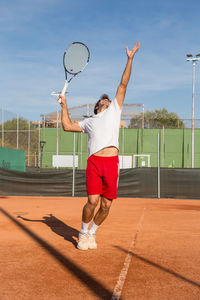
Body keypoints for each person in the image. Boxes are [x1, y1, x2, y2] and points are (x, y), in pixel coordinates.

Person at [58, 42, 140, 250]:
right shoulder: (89, 122)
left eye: (108, 99)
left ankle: (92, 233)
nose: (106, 100)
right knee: (92, 201)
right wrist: (64, 104)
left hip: (112, 162)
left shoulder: (114, 111)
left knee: (107, 205)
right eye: (102, 100)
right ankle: (83, 232)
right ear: (96, 106)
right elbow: (67, 126)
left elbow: (123, 84)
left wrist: (129, 59)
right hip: (94, 162)